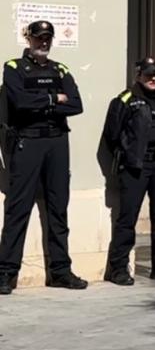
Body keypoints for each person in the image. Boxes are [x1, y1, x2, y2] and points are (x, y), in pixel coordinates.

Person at [0, 20, 87, 295]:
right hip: (28, 141)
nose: (44, 42)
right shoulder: (13, 68)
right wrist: (53, 98)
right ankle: (5, 273)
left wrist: (45, 100)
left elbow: (76, 104)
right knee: (18, 209)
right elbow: (20, 103)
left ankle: (60, 271)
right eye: (39, 37)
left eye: (48, 37)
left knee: (58, 208)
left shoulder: (60, 69)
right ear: (29, 39)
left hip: (57, 143)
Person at [105, 58, 155, 285]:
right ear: (138, 75)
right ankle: (118, 268)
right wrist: (128, 156)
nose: (153, 78)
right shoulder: (125, 99)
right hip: (137, 167)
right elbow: (111, 135)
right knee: (127, 218)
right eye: (148, 74)